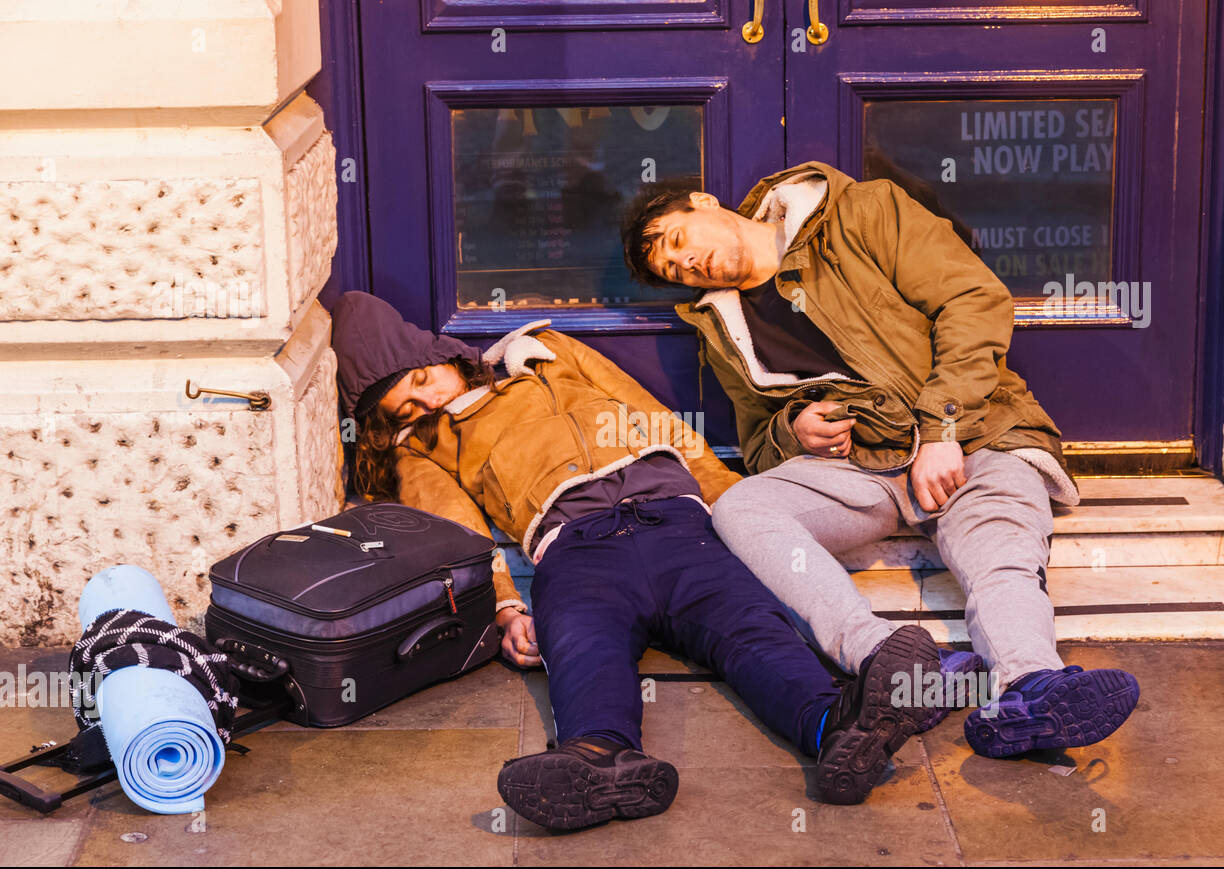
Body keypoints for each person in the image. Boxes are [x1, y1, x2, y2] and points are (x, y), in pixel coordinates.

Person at [330, 290, 948, 829]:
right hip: (575, 547)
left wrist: (726, 492)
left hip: (678, 524)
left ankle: (836, 727)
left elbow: (655, 417)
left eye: (419, 382)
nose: (424, 404)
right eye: (402, 412)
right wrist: (506, 604)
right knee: (580, 641)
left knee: (752, 626)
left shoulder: (547, 354)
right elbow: (457, 532)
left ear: (440, 355)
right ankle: (599, 759)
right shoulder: (427, 448)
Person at [619, 162, 1140, 759]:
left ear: (704, 202)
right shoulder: (721, 327)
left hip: (973, 435)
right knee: (741, 506)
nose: (690, 265)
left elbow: (973, 299)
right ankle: (887, 661)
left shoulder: (862, 211)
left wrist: (941, 426)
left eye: (680, 242)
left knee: (998, 552)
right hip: (863, 471)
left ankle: (1029, 689)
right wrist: (795, 430)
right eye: (676, 271)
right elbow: (759, 443)